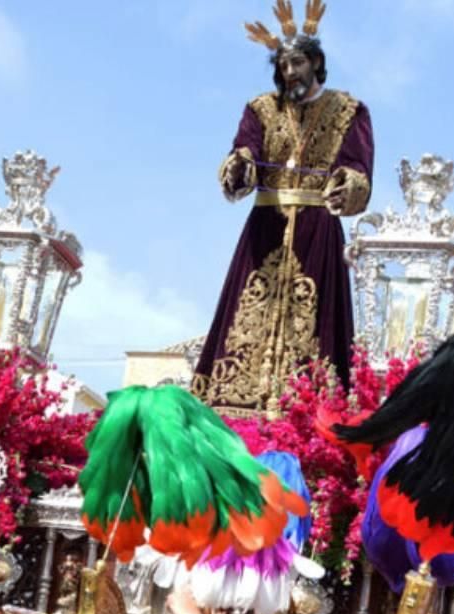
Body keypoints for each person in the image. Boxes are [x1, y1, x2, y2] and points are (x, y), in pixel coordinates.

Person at [192, 0, 374, 416]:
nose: (290, 73)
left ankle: (310, 408)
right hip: (265, 226)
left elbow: (358, 166)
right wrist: (242, 163)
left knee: (314, 327)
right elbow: (244, 150)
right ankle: (233, 404)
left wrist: (347, 185)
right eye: (283, 66)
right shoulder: (260, 108)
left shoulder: (349, 111)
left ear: (315, 63)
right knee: (246, 313)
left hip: (316, 229)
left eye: (297, 64)